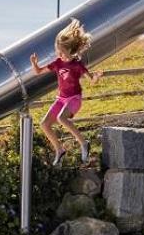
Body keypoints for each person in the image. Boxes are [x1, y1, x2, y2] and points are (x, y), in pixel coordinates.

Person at [30, 18, 100, 165]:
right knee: (44, 124)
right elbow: (38, 72)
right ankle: (59, 150)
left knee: (62, 118)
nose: (59, 54)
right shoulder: (57, 63)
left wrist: (96, 77)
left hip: (74, 99)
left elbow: (91, 80)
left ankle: (83, 143)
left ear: (69, 50)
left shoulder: (77, 65)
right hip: (61, 99)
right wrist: (34, 64)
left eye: (61, 51)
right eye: (58, 51)